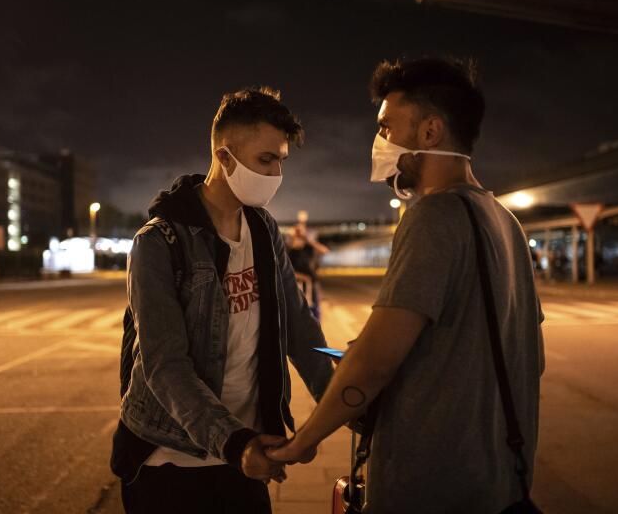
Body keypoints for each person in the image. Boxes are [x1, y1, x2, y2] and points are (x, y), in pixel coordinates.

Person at [268, 57, 545, 513]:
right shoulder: (505, 220)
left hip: (431, 488)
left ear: (430, 132)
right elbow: (529, 358)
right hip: (499, 484)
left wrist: (303, 442)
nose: (380, 142)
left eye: (386, 127)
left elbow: (374, 363)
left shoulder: (434, 216)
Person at [111, 87, 334, 514]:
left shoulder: (263, 229)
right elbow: (164, 364)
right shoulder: (159, 242)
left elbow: (299, 326)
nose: (276, 174)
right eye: (265, 160)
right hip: (171, 459)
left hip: (248, 454)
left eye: (281, 161)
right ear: (224, 156)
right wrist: (233, 442)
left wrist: (339, 402)